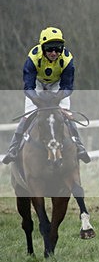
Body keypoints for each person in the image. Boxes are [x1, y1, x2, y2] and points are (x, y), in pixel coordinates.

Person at [3, 26, 90, 164]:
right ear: (42, 48)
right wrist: (37, 100)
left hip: (57, 84)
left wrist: (58, 98)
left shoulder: (67, 59)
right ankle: (13, 148)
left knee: (66, 114)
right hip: (37, 84)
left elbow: (67, 86)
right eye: (50, 49)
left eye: (58, 48)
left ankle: (79, 145)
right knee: (28, 114)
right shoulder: (33, 58)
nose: (54, 53)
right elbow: (28, 87)